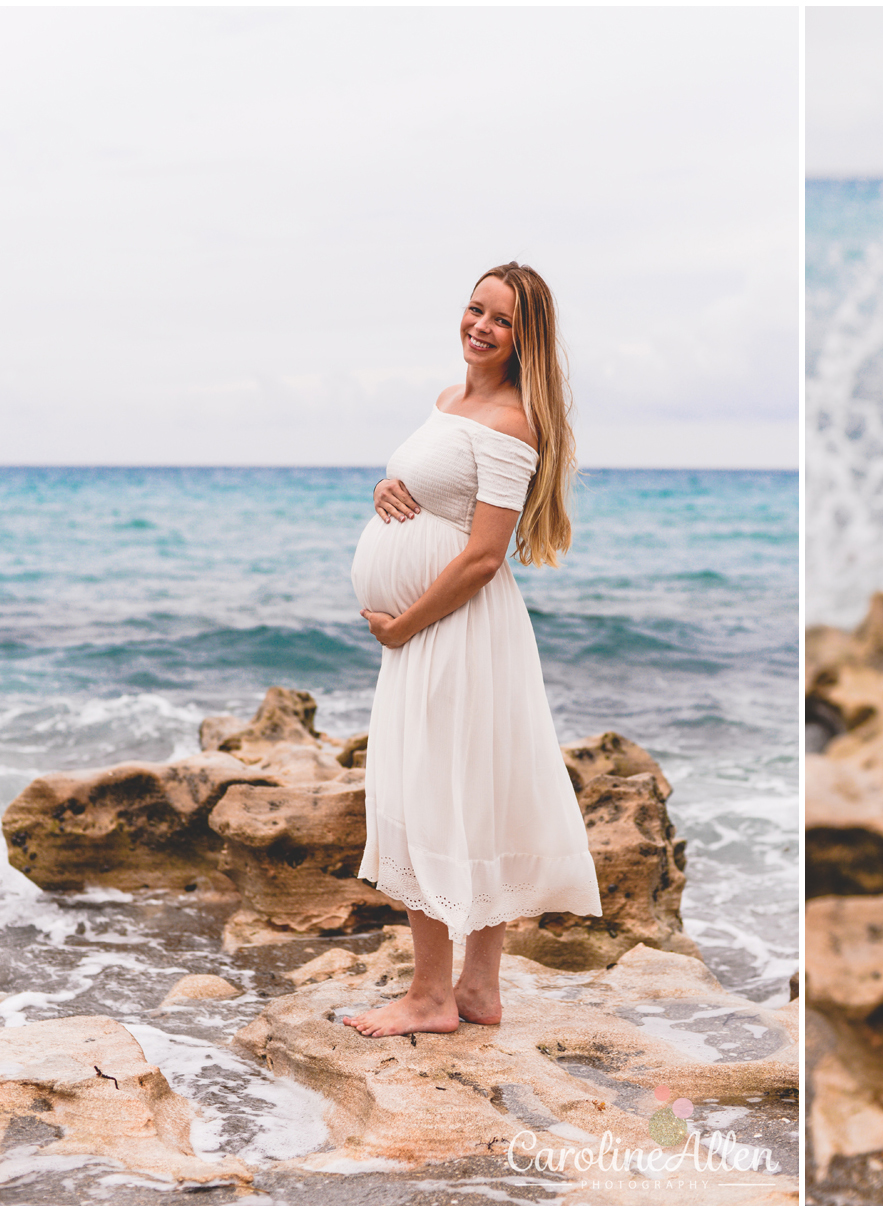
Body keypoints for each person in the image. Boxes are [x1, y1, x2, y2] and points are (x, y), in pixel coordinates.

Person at [345, 262, 602, 1038]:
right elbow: (437, 497)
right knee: (465, 789)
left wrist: (404, 624)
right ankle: (479, 990)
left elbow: (486, 555)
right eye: (474, 309)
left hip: (448, 631)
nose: (481, 326)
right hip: (437, 630)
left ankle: (431, 999)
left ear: (526, 338)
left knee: (438, 792)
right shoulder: (451, 403)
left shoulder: (513, 422)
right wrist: (390, 491)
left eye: (501, 320)